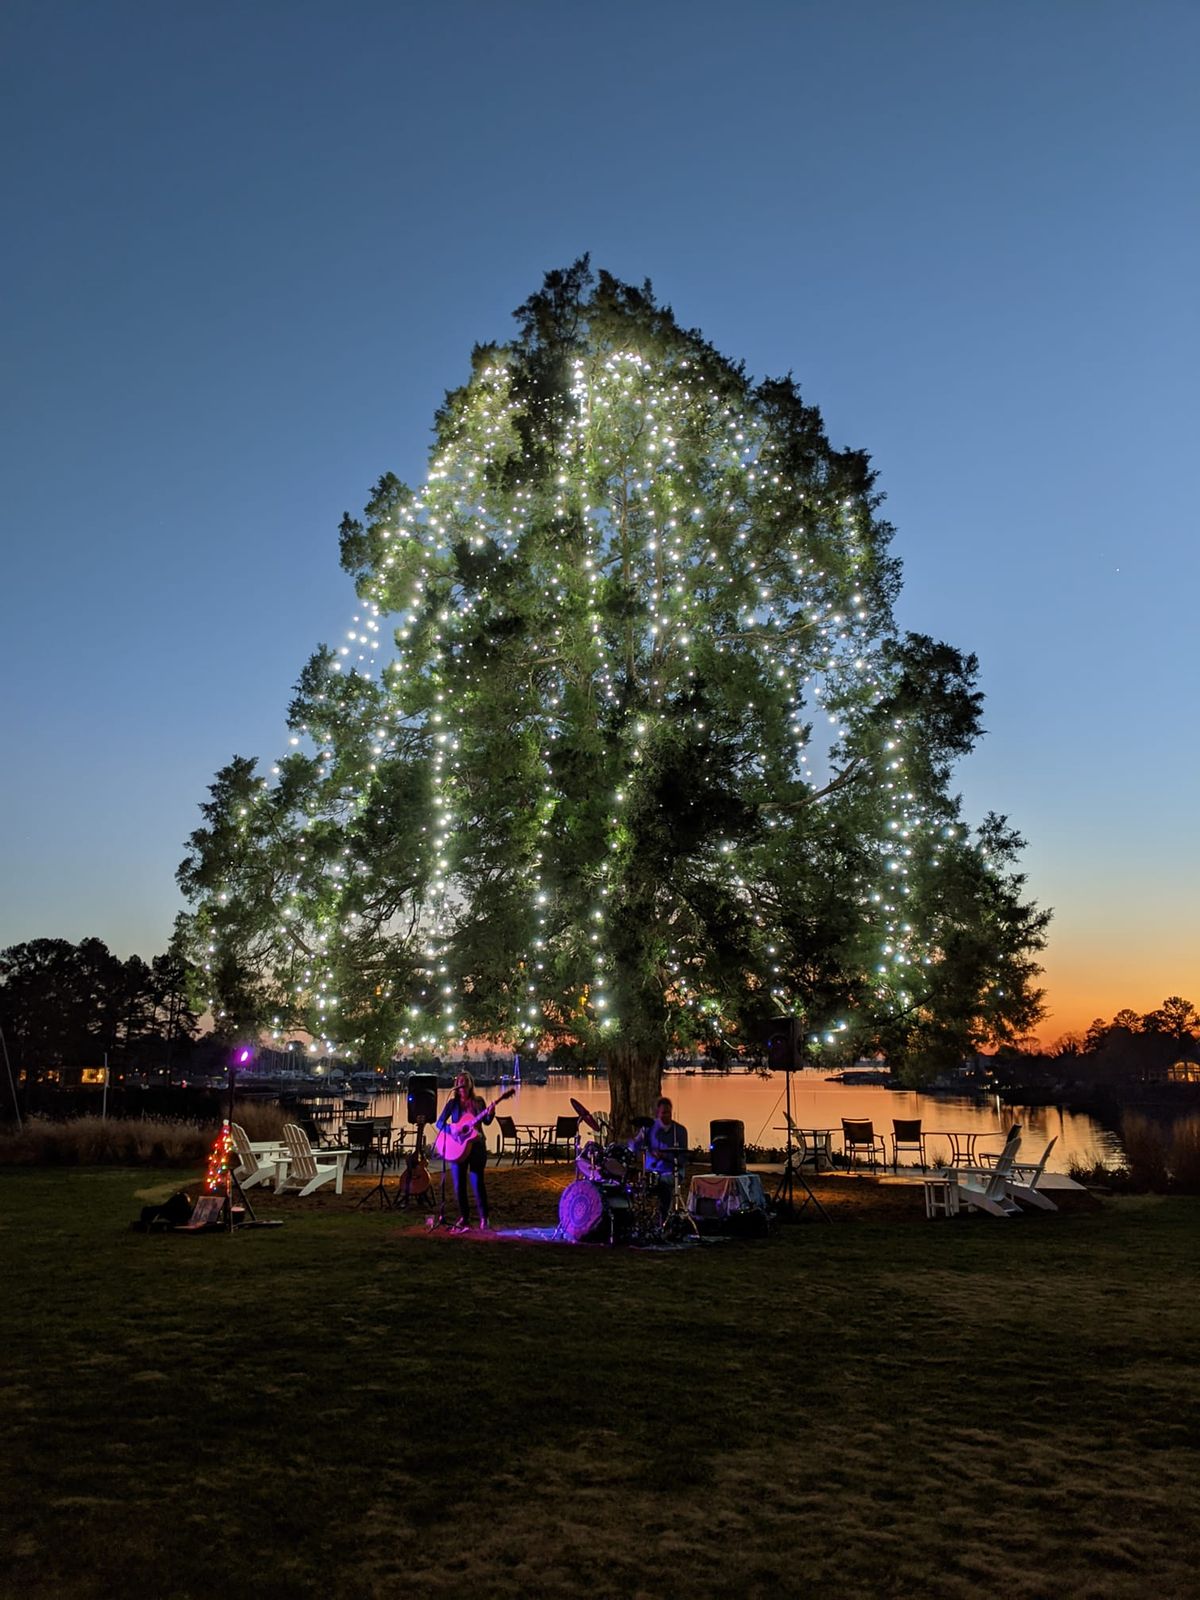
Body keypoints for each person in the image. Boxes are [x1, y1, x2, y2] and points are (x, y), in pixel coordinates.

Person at [435, 1071, 497, 1231]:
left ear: (470, 1084)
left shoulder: (478, 1102)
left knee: (478, 1183)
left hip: (476, 1147)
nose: (462, 1083)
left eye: (465, 1081)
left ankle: (484, 1218)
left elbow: (487, 1121)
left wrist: (491, 1113)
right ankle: (464, 1217)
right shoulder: (452, 1104)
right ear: (457, 1085)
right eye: (459, 1081)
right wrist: (452, 1128)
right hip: (457, 1148)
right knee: (459, 1185)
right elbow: (439, 1123)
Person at [634, 1096, 689, 1219]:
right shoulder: (649, 1129)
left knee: (663, 1184)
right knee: (635, 1182)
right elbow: (635, 1146)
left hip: (673, 1171)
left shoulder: (679, 1131)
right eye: (663, 1113)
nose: (667, 1116)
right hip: (652, 1172)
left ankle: (664, 1218)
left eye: (669, 1113)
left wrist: (665, 1156)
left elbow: (683, 1158)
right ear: (657, 1113)